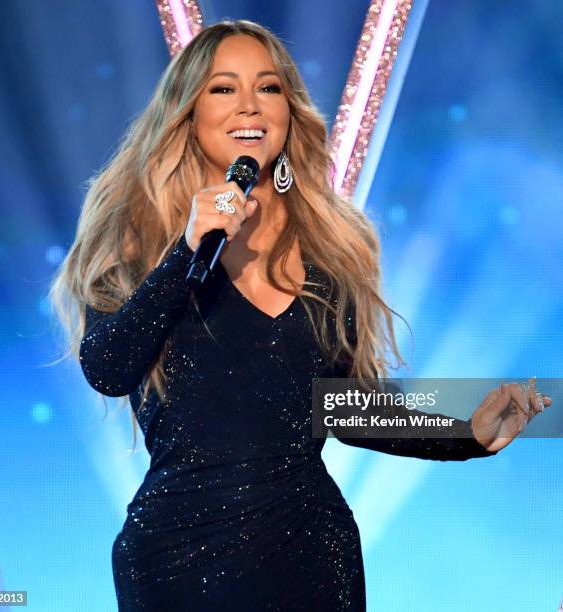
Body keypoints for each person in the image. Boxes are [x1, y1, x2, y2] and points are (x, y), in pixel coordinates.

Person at [49, 19, 552, 612]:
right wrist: (185, 251)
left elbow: (343, 407)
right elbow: (108, 367)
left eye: (268, 88)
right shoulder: (135, 236)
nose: (249, 106)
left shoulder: (331, 245)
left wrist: (465, 432)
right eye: (222, 88)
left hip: (312, 556)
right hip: (178, 561)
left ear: (288, 111)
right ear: (186, 111)